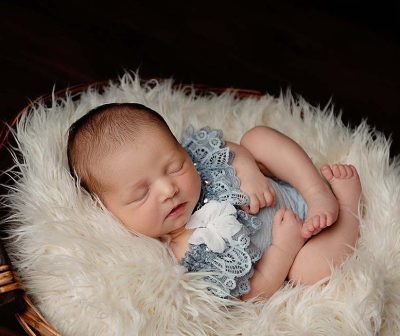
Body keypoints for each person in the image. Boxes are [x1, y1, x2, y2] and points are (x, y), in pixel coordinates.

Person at [67, 102, 362, 301]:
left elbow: (229, 149)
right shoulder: (188, 259)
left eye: (174, 167)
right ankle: (348, 208)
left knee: (256, 138)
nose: (168, 189)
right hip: (303, 242)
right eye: (142, 194)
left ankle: (316, 191)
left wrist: (248, 172)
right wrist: (285, 248)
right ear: (109, 211)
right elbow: (251, 293)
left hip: (285, 186)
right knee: (306, 272)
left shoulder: (200, 163)